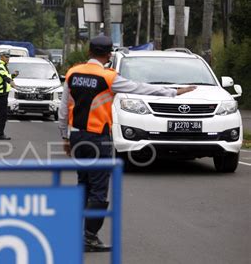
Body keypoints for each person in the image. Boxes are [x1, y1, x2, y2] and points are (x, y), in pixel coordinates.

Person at [59, 35, 196, 252]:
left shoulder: (73, 73)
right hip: (98, 138)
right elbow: (141, 88)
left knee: (82, 184)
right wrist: (174, 92)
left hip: (76, 137)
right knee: (98, 188)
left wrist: (65, 137)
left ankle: (71, 232)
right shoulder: (109, 77)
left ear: (89, 51)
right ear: (109, 54)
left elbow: (64, 107)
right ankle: (89, 237)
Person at [0, 50, 19, 140]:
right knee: (3, 114)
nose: (8, 59)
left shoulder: (4, 66)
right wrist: (11, 81)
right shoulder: (0, 66)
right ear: (1, 57)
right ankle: (0, 134)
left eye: (8, 57)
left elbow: (7, 76)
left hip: (3, 93)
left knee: (0, 113)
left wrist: (14, 76)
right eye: (6, 57)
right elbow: (5, 77)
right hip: (1, 93)